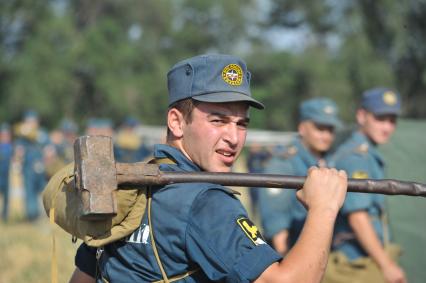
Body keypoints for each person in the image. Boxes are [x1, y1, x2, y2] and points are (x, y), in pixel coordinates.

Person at [68, 54, 348, 283]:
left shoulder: (129, 186)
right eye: (218, 120)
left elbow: (82, 278)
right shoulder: (204, 201)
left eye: (242, 124)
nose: (234, 138)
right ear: (177, 122)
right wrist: (324, 208)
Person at [324, 88, 407, 283]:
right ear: (362, 116)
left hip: (365, 257)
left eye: (392, 120)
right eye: (380, 118)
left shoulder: (366, 153)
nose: (387, 127)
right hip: (356, 263)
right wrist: (386, 265)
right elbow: (358, 218)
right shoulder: (356, 158)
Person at [258, 97, 342, 256]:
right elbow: (277, 223)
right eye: (320, 128)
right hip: (294, 254)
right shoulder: (283, 163)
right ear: (302, 128)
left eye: (330, 129)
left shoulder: (329, 161)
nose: (326, 135)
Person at [14, 110, 48, 221]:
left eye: (33, 121)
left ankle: (45, 215)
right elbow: (18, 151)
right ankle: (32, 216)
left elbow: (49, 148)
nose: (31, 124)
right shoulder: (22, 137)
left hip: (42, 169)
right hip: (28, 169)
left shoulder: (42, 134)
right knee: (30, 193)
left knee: (44, 192)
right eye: (28, 121)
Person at [0, 123, 13, 222]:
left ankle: (5, 215)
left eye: (7, 135)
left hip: (7, 175)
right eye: (3, 135)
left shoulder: (11, 146)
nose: (5, 137)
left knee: (6, 197)